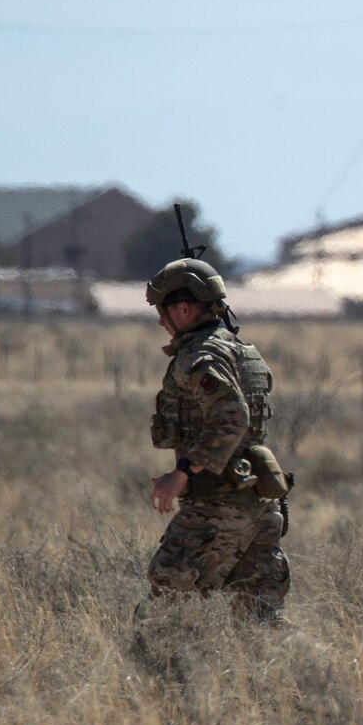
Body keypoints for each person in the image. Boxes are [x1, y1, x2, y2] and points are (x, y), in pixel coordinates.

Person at [144, 257, 291, 620]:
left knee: (163, 614)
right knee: (260, 621)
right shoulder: (241, 351)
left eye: (162, 311)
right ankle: (310, 672)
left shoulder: (198, 356)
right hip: (260, 507)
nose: (161, 321)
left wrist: (182, 472)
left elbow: (231, 417)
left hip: (218, 508)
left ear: (182, 308)